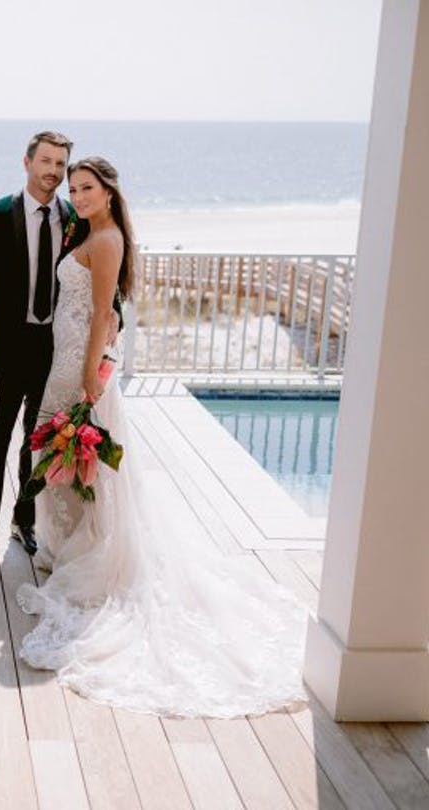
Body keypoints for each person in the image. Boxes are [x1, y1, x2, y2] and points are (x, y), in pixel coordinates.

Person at [16, 157, 306, 717]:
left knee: (78, 455)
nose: (77, 195)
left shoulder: (107, 239)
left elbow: (103, 309)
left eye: (87, 188)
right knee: (59, 452)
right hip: (66, 353)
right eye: (73, 188)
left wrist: (89, 373)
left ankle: (89, 550)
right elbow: (104, 306)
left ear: (109, 192)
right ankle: (69, 545)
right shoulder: (89, 230)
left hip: (79, 360)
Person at [0, 132, 120, 571]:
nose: (53, 171)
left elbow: (97, 272)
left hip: (55, 348)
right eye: (45, 161)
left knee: (40, 441)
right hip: (7, 347)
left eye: (60, 164)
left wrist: (114, 312)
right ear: (26, 162)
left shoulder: (75, 216)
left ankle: (25, 523)